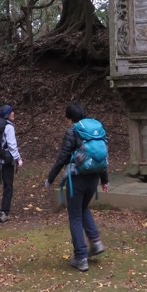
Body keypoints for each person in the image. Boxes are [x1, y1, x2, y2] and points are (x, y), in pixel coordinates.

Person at [44, 101, 108, 272]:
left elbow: (63, 157)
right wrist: (105, 180)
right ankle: (95, 242)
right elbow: (101, 157)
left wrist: (50, 178)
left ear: (69, 118)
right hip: (94, 178)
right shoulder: (96, 129)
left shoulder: (72, 131)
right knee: (83, 208)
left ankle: (81, 257)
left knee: (75, 216)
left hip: (77, 180)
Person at [0, 105, 22, 223]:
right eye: (11, 112)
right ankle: (4, 213)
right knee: (8, 187)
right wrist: (18, 159)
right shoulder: (9, 127)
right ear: (7, 114)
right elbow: (12, 145)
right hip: (6, 162)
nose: (13, 113)